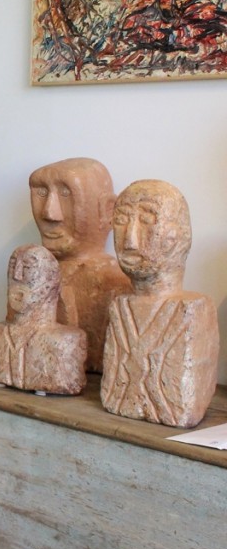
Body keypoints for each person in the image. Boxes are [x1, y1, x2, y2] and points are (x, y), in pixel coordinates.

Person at [101, 179, 218, 428]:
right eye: (121, 220)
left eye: (146, 221)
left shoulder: (195, 309)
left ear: (178, 235)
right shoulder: (120, 307)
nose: (130, 240)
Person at [28, 157, 130, 372]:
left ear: (108, 210)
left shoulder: (119, 286)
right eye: (41, 193)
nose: (49, 213)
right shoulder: (27, 276)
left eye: (66, 194)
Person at [0, 244, 86, 395]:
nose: (17, 275)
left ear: (50, 281)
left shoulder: (65, 342)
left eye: (27, 267)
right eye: (13, 266)